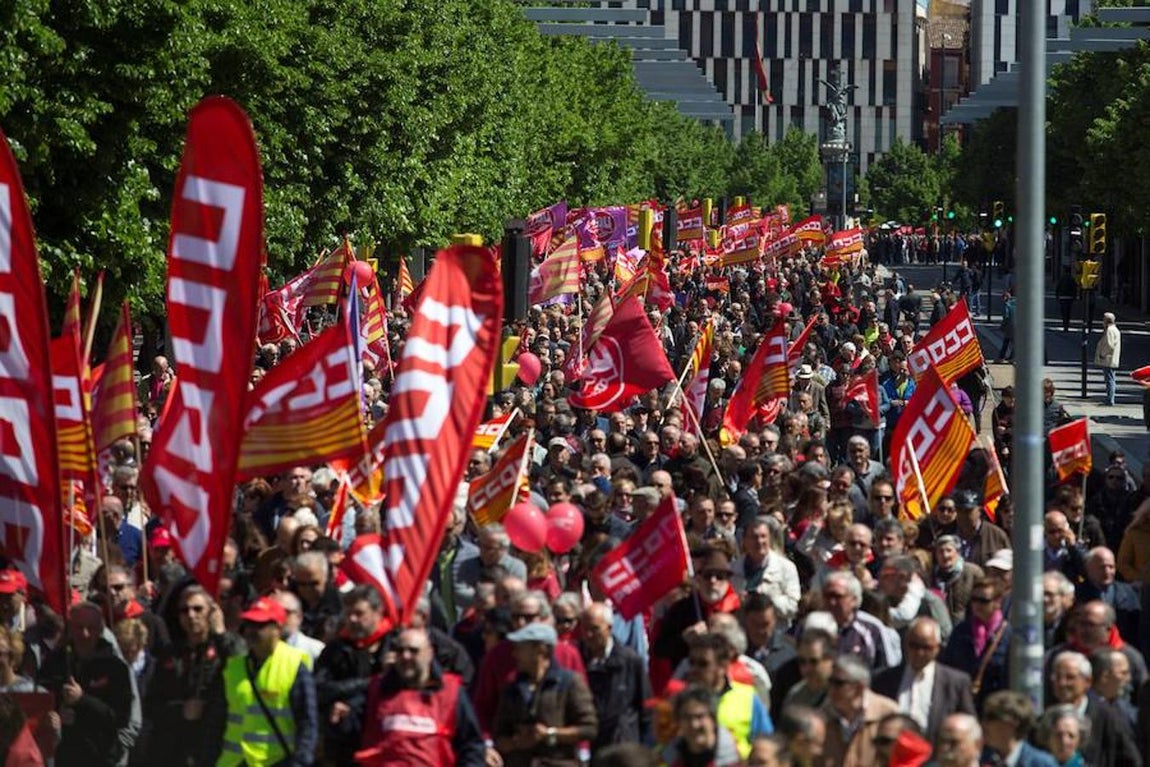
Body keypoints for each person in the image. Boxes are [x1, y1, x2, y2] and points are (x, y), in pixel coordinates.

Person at [355, 627, 485, 766]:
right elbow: (351, 733)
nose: (406, 656)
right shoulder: (377, 690)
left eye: (413, 651)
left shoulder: (451, 692)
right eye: (400, 651)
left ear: (429, 653)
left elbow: (471, 745)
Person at [140, 584, 236, 767]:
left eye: (198, 609)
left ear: (211, 611)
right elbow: (152, 702)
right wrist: (181, 709)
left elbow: (239, 666)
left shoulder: (225, 647)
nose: (191, 615)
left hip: (216, 746)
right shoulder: (170, 653)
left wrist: (221, 633)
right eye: (185, 610)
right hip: (176, 749)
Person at [217, 596, 317, 767]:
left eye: (260, 625)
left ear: (277, 628)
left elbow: (307, 724)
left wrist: (300, 763)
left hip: (277, 761)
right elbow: (218, 719)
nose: (252, 630)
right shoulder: (234, 667)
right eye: (249, 624)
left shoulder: (293, 666)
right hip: (234, 761)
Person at [37, 602, 139, 767]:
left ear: (100, 630)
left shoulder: (115, 667)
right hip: (63, 757)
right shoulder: (55, 662)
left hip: (101, 758)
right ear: (70, 628)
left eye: (91, 628)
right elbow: (40, 701)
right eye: (79, 627)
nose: (84, 634)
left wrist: (82, 700)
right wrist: (56, 713)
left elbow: (120, 718)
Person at [492, 622, 597, 767]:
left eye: (520, 648)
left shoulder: (569, 683)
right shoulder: (512, 688)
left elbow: (589, 729)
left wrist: (550, 734)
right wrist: (517, 742)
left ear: (540, 649)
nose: (514, 654)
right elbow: (499, 734)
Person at [314, 586, 390, 765]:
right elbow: (319, 689)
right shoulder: (336, 649)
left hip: (385, 742)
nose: (352, 619)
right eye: (348, 614)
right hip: (345, 746)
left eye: (359, 613)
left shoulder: (394, 644)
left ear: (378, 612)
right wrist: (368, 683)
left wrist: (354, 705)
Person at [871, 617, 975, 743]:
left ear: (937, 648)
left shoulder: (956, 682)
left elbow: (969, 725)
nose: (919, 653)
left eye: (926, 647)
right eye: (914, 646)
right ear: (905, 644)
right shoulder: (883, 679)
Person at [1048, 650, 1140, 767]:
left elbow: (1130, 759)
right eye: (1057, 677)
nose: (1062, 683)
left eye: (1070, 677)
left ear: (1087, 681)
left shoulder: (1108, 716)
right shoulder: (1047, 719)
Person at [580, 602, 650, 749]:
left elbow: (646, 709)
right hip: (593, 746)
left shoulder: (630, 661)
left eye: (595, 629)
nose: (589, 635)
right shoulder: (579, 661)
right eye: (585, 629)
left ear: (609, 628)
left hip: (623, 745)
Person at [818, 654, 898, 767]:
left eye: (838, 683)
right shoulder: (822, 715)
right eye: (830, 681)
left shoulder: (888, 714)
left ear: (859, 687)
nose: (831, 688)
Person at [658, 685, 741, 767]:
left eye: (699, 716)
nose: (694, 725)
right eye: (687, 717)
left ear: (713, 719)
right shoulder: (669, 759)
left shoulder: (735, 761)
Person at [979, 690, 1058, 767]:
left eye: (990, 717)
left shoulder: (1041, 763)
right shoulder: (982, 760)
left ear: (1011, 724)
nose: (984, 724)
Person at [1095, 312, 1121, 406]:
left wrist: (1103, 354)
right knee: (1111, 378)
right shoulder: (1115, 329)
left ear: (1107, 320)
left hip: (1108, 358)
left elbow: (1109, 344)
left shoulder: (1109, 330)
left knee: (1109, 379)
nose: (1102, 321)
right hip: (1113, 358)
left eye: (1103, 319)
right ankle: (1110, 398)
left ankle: (1110, 399)